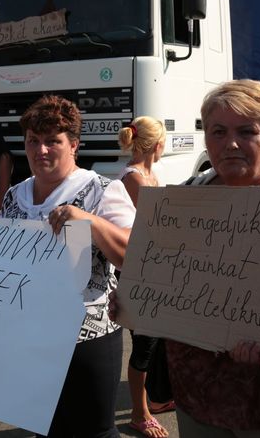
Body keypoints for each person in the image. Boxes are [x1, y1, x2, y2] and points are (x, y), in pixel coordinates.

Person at [113, 80, 260, 437]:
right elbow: (161, 283)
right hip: (194, 394)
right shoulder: (180, 203)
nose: (230, 143)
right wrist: (132, 301)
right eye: (218, 131)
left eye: (247, 131)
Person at [0, 95, 135, 438]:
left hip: (85, 339)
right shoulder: (15, 195)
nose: (41, 150)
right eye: (34, 141)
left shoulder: (102, 191)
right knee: (45, 427)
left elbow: (136, 256)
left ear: (73, 145)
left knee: (95, 431)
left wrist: (91, 222)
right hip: (29, 334)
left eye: (53, 141)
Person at [117, 116, 172, 438]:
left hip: (156, 269)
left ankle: (158, 398)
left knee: (159, 339)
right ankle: (140, 414)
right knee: (144, 344)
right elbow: (159, 225)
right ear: (157, 145)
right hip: (139, 272)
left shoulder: (151, 174)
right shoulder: (134, 178)